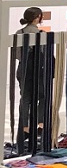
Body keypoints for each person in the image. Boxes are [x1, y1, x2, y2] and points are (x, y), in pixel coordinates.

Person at [15, 7, 47, 136]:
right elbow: (44, 55)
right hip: (38, 70)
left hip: (23, 69)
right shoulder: (41, 34)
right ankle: (41, 125)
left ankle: (25, 128)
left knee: (25, 98)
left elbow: (17, 54)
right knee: (43, 96)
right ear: (38, 17)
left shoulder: (19, 32)